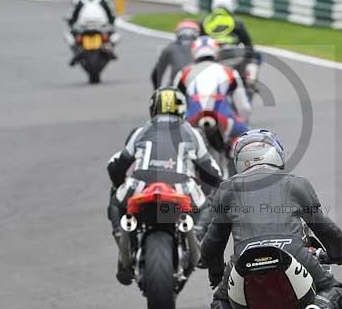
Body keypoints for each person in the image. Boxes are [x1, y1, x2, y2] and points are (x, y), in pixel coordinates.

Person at [201, 129, 342, 309]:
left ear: (240, 160)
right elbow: (328, 230)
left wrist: (216, 276)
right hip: (293, 253)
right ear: (276, 155)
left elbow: (212, 245)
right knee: (335, 289)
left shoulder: (226, 190)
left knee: (222, 302)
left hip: (243, 263)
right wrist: (338, 254)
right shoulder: (297, 183)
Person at [107, 87, 222, 285]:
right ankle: (197, 237)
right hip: (180, 185)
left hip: (141, 184)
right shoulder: (192, 133)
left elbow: (115, 165)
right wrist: (211, 190)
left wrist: (119, 186)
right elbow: (213, 171)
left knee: (116, 203)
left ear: (153, 109)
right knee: (208, 206)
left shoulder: (141, 131)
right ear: (182, 109)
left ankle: (123, 250)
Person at [175, 35, 251, 146]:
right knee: (246, 137)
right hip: (223, 117)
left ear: (194, 52)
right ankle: (235, 156)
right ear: (216, 51)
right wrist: (244, 121)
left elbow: (176, 104)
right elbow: (244, 107)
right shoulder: (229, 72)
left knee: (175, 140)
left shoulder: (184, 73)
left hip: (192, 117)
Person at [201, 0, 261, 92]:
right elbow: (247, 42)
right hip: (234, 52)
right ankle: (250, 75)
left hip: (214, 54)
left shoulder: (205, 22)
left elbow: (199, 43)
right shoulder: (236, 22)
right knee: (257, 55)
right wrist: (250, 54)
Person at [67, 0, 117, 66]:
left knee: (115, 35)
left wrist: (111, 23)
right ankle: (78, 50)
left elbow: (111, 13)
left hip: (99, 25)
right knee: (69, 36)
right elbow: (111, 14)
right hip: (84, 26)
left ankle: (107, 47)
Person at [151, 19, 200, 90]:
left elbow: (156, 74)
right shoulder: (201, 48)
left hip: (175, 90)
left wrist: (157, 90)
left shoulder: (170, 48)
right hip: (198, 89)